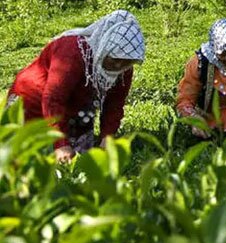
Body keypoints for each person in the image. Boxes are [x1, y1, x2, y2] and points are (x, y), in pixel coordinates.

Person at [7, 10, 145, 163]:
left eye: (125, 61)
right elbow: (53, 99)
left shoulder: (123, 69)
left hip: (76, 105)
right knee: (25, 156)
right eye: (114, 58)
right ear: (105, 46)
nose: (118, 65)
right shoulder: (72, 52)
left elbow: (114, 104)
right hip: (33, 99)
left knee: (77, 161)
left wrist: (108, 136)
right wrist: (60, 145)